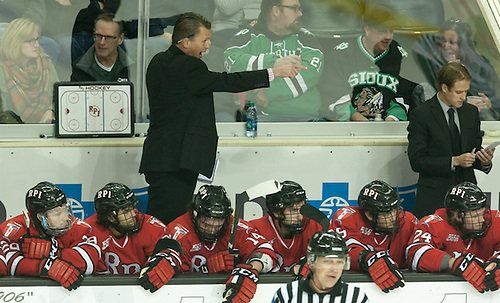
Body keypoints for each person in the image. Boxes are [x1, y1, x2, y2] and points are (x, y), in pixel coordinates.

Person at [139, 12, 305, 226]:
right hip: (176, 160)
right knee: (169, 225)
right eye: (204, 40)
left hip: (160, 157)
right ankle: (163, 258)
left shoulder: (159, 61)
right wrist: (273, 72)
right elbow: (228, 82)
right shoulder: (188, 66)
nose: (208, 46)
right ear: (186, 41)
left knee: (159, 221)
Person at [407, 62, 495, 219]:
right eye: (459, 92)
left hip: (467, 201)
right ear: (444, 88)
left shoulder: (471, 112)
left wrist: (484, 161)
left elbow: (474, 149)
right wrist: (454, 161)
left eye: (466, 91)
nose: (464, 97)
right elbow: (417, 161)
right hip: (434, 200)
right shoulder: (421, 114)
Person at [166, 185, 278, 303]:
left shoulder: (236, 227)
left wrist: (250, 270)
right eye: (206, 224)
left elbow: (266, 252)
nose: (212, 230)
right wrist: (205, 270)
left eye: (218, 225)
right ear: (195, 215)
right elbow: (173, 277)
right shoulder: (179, 230)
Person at [224, 0, 324, 121]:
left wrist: (270, 91)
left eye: (300, 9)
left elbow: (311, 71)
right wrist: (274, 63)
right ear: (276, 10)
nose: (300, 14)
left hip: (306, 119)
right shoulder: (246, 37)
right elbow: (232, 63)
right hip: (258, 119)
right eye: (294, 8)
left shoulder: (306, 38)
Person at [320, 5, 416, 121]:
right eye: (382, 31)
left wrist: (391, 120)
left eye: (391, 31)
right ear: (367, 30)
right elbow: (333, 94)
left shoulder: (399, 55)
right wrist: (363, 122)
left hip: (387, 125)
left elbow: (405, 95)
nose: (388, 36)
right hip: (347, 124)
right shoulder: (342, 53)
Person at [0, 182, 101, 290]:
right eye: (58, 213)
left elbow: (90, 260)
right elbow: (11, 265)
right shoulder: (14, 228)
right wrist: (48, 267)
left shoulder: (76, 226)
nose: (66, 217)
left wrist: (50, 251)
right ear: (40, 217)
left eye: (65, 210)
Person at [84, 183, 182, 293]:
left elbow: (170, 252)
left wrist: (166, 261)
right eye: (126, 211)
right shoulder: (88, 230)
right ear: (110, 217)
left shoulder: (150, 226)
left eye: (132, 208)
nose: (133, 214)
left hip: (144, 292)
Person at [406, 182, 500, 293]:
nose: (482, 220)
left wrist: (497, 262)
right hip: (439, 292)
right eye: (475, 216)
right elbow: (415, 255)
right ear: (457, 216)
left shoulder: (495, 220)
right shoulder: (434, 223)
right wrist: (454, 263)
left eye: (482, 213)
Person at [329, 180, 417, 293]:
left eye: (394, 209)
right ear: (369, 215)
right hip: (355, 290)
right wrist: (369, 259)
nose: (393, 217)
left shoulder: (409, 222)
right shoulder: (347, 217)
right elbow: (345, 252)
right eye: (386, 213)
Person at [413, 19, 500, 120]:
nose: (446, 46)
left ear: (463, 45)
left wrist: (489, 104)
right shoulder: (434, 65)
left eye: (452, 42)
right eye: (443, 41)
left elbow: (495, 97)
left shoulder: (481, 65)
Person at [271, 231, 370, 303]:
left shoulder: (356, 297)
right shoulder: (287, 294)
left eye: (339, 262)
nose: (335, 269)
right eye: (327, 262)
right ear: (311, 261)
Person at [250, 180, 322, 272]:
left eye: (302, 209)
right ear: (277, 212)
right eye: (293, 211)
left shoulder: (315, 226)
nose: (300, 216)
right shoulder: (255, 229)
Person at [0, 18, 59, 123]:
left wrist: (52, 110)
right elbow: (3, 112)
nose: (37, 45)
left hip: (45, 128)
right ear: (15, 42)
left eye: (37, 40)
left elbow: (59, 95)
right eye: (30, 41)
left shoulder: (45, 63)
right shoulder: (2, 68)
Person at [71, 13, 130, 82]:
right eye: (98, 35)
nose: (102, 42)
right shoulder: (80, 68)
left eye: (108, 37)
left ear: (120, 39)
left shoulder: (132, 66)